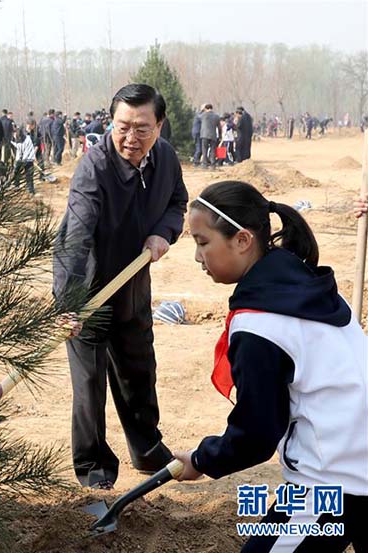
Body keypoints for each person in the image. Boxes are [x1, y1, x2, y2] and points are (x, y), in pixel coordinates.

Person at [175, 180, 368, 552]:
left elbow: (258, 432)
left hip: (335, 479)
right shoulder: (304, 282)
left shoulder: (261, 324)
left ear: (243, 240)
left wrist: (201, 459)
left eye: (202, 243)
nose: (198, 257)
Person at [53, 83, 188, 490]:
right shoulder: (94, 168)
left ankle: (147, 449)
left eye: (142, 128)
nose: (131, 138)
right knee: (89, 384)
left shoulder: (165, 159)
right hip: (89, 290)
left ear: (160, 126)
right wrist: (69, 302)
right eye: (122, 127)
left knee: (138, 371)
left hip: (133, 285)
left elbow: (177, 202)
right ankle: (93, 466)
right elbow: (74, 239)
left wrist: (164, 232)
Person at [12, 120, 37, 195]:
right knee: (28, 175)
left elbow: (17, 146)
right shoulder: (28, 138)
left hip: (22, 159)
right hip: (28, 160)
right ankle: (30, 190)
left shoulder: (19, 140)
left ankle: (17, 187)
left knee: (17, 174)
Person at [199, 104, 221, 169]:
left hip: (204, 135)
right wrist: (220, 136)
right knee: (213, 150)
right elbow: (219, 127)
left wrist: (201, 110)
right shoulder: (216, 116)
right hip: (213, 135)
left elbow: (198, 116)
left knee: (204, 150)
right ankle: (213, 164)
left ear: (205, 108)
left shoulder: (203, 115)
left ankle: (204, 164)